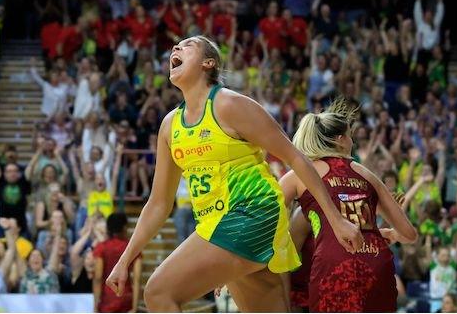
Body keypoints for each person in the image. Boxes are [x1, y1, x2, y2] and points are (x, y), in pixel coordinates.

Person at [106, 36, 363, 312]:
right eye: (175, 46)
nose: (176, 48)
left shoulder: (229, 104)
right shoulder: (170, 126)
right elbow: (158, 203)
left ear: (209, 63)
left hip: (251, 213)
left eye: (187, 45)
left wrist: (336, 220)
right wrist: (125, 260)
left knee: (158, 292)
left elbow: (294, 157)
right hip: (215, 224)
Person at [280, 97, 418, 312]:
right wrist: (385, 233)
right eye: (351, 137)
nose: (353, 143)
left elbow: (264, 212)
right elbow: (409, 235)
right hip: (376, 266)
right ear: (340, 139)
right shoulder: (366, 174)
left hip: (332, 267)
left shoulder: (301, 173)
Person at [93, 213, 141, 313]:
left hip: (107, 300)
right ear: (124, 227)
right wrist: (135, 307)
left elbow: (98, 278)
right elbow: (137, 278)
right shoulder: (132, 248)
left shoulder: (101, 247)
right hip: (126, 298)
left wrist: (95, 306)